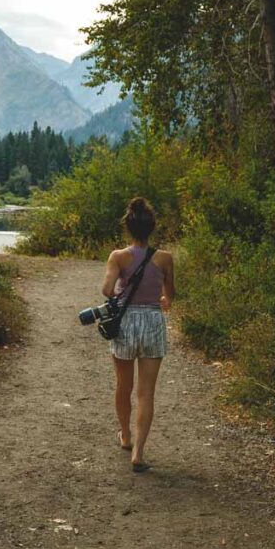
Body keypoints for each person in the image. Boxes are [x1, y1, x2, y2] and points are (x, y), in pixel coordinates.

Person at [101, 197, 175, 472]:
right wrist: (163, 299)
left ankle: (125, 436)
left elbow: (107, 291)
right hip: (153, 323)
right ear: (152, 227)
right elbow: (170, 295)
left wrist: (119, 288)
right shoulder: (165, 258)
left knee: (124, 385)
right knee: (146, 393)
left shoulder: (118, 257)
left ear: (128, 228)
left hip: (125, 322)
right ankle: (139, 454)